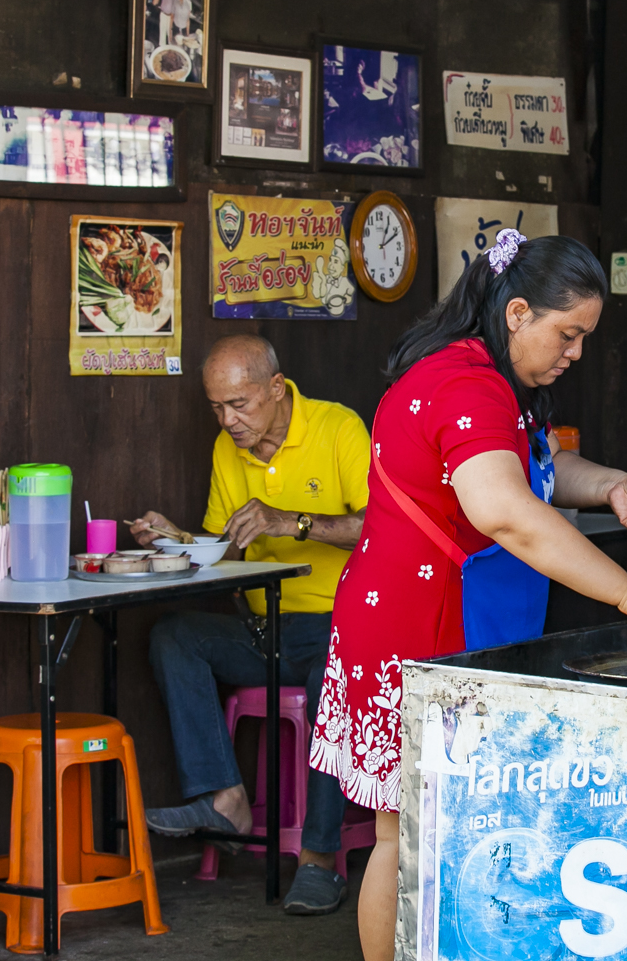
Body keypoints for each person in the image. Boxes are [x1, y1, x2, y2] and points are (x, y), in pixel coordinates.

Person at [310, 230, 627, 961]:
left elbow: (536, 468)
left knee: (442, 824)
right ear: (517, 312)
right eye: (567, 333)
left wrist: (607, 484)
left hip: (428, 615)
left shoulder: (488, 377)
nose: (575, 352)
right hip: (422, 627)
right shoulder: (468, 385)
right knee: (408, 827)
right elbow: (505, 509)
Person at [132, 335, 369, 916]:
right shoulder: (226, 450)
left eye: (239, 404)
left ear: (276, 389)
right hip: (267, 629)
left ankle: (317, 862)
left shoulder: (339, 430)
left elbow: (378, 527)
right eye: (217, 407)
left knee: (330, 683)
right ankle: (226, 796)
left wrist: (292, 521)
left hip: (339, 627)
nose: (228, 420)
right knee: (173, 635)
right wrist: (179, 541)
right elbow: (227, 551)